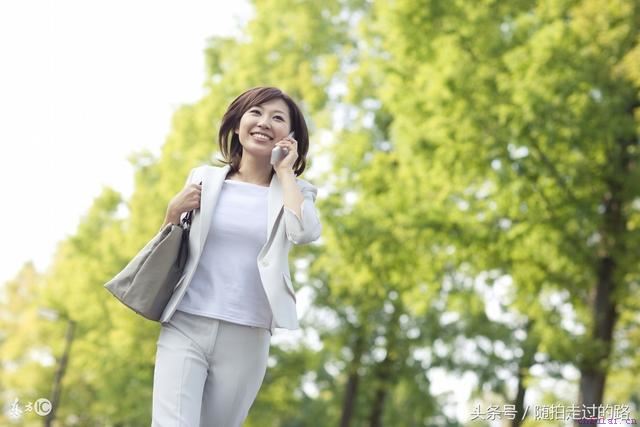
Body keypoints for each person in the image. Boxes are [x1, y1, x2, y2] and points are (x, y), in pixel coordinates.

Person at [151, 87, 322, 426]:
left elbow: (303, 233)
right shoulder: (205, 178)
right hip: (186, 321)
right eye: (255, 113)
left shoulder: (296, 191)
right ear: (238, 122)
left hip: (248, 332)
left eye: (277, 118)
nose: (264, 123)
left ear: (290, 136)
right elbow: (175, 243)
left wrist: (286, 172)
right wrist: (171, 214)